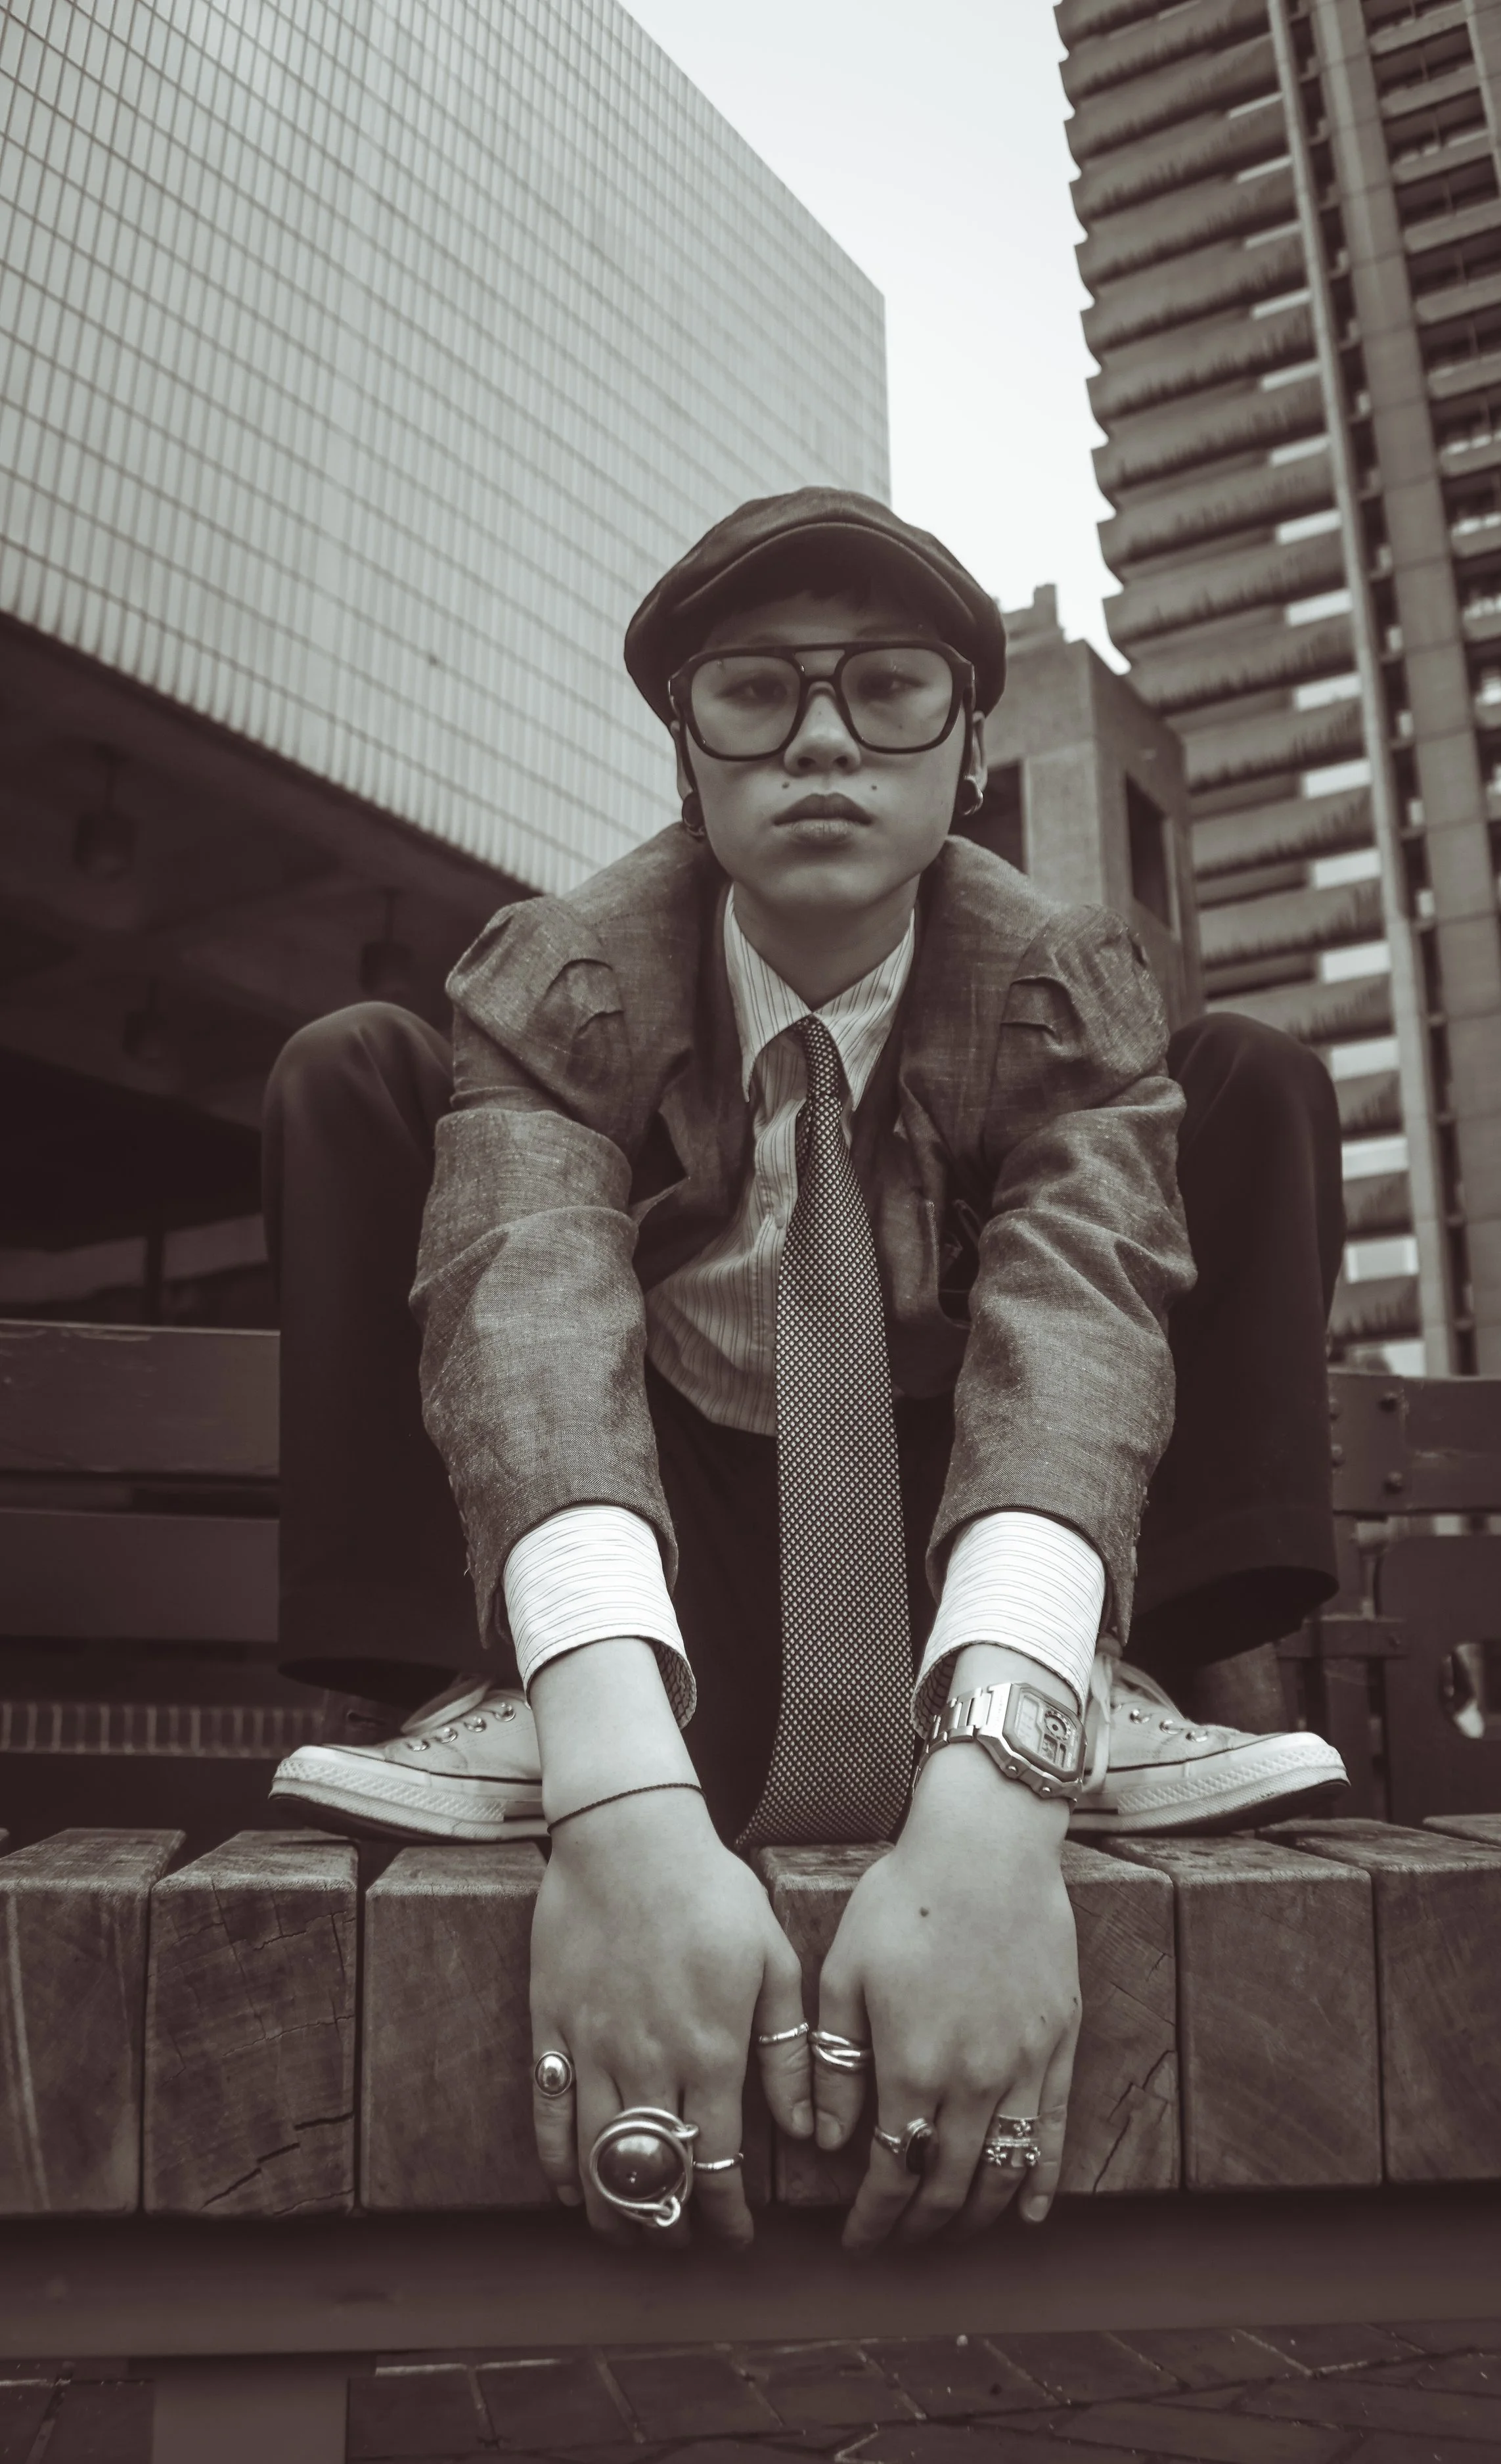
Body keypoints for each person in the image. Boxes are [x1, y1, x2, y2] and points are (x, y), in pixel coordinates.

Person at [263, 490, 1347, 2251]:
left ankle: (1118, 1675)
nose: (824, 739)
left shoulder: (1065, 992)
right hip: (660, 1526)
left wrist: (1002, 1765)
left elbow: (1081, 1313)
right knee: (352, 1068)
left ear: (968, 748)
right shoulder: (558, 980)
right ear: (684, 751)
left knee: (1253, 1080)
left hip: (959, 1532)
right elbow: (520, 1302)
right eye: (755, 693)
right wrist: (616, 1773)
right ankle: (490, 1693)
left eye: (887, 689)